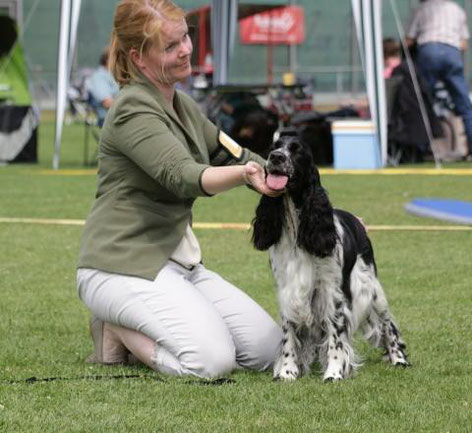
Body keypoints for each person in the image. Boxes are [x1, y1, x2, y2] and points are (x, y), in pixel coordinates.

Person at [76, 0, 283, 380]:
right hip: (119, 267)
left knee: (269, 349)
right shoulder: (130, 110)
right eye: (171, 46)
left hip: (178, 266)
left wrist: (312, 197)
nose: (187, 49)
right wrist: (244, 175)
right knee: (211, 363)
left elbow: (236, 154)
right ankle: (115, 327)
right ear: (139, 59)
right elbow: (183, 175)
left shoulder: (182, 104)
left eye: (186, 37)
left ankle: (142, 324)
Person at [406, 0, 472, 158]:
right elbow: (463, 44)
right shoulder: (457, 9)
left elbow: (409, 40)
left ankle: (420, 149)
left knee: (422, 103)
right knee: (465, 106)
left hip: (428, 52)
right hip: (452, 53)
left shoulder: (422, 8)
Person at [87, 49, 119, 126]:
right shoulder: (99, 77)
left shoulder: (114, 75)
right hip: (110, 120)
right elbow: (107, 102)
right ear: (108, 60)